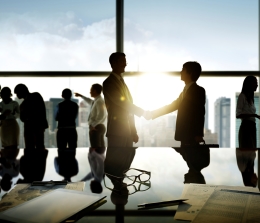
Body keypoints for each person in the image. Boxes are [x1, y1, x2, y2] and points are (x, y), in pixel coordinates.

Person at [148, 61, 206, 146]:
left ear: (190, 73)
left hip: (192, 136)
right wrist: (153, 114)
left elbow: (200, 113)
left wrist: (199, 134)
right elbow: (172, 106)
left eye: (183, 69)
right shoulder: (184, 92)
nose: (180, 72)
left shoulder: (198, 90)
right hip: (185, 135)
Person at [103, 52, 147, 147]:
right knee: (116, 160)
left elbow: (129, 111)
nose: (124, 64)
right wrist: (142, 112)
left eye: (125, 62)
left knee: (126, 160)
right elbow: (122, 103)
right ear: (114, 63)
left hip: (127, 132)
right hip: (117, 132)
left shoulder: (122, 82)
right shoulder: (108, 83)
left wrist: (133, 131)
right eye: (122, 61)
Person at [14, 84, 48, 149]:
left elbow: (22, 118)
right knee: (39, 147)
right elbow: (42, 111)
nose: (17, 95)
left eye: (17, 93)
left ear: (22, 91)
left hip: (33, 127)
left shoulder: (23, 104)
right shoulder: (36, 96)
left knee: (32, 147)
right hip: (35, 127)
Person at [75, 84, 107, 148]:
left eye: (91, 90)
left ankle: (98, 158)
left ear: (94, 91)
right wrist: (81, 96)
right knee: (99, 148)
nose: (90, 92)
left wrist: (93, 126)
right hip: (97, 127)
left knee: (96, 148)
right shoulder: (97, 100)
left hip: (96, 127)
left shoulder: (99, 101)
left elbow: (101, 115)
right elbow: (90, 101)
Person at [236, 76, 259, 148]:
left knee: (252, 153)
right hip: (246, 128)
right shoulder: (242, 96)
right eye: (255, 82)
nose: (257, 85)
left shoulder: (251, 99)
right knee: (246, 153)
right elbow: (238, 114)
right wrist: (254, 115)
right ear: (249, 84)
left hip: (252, 127)